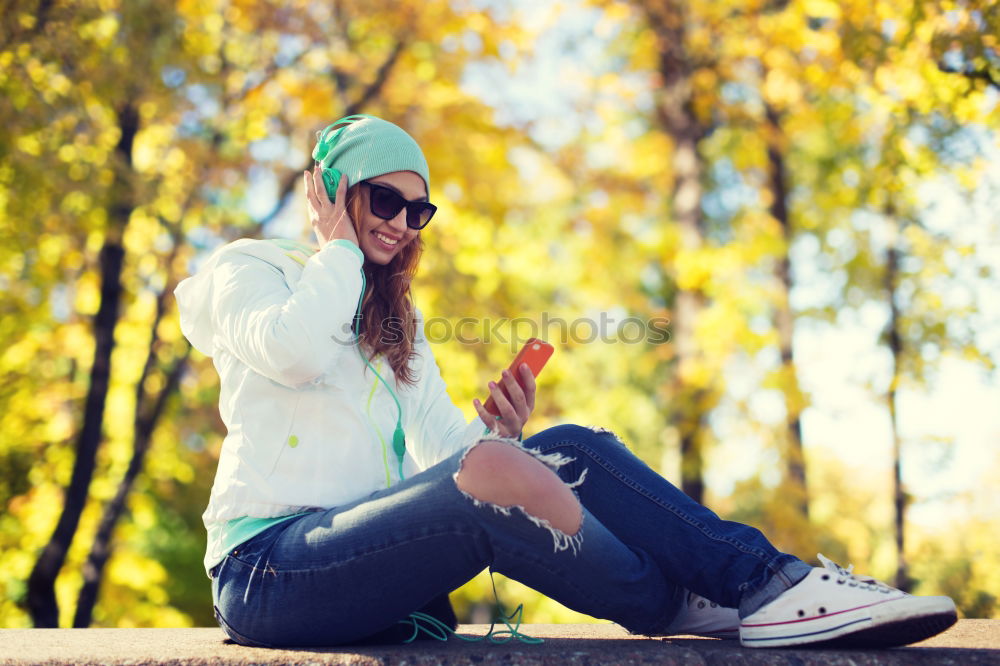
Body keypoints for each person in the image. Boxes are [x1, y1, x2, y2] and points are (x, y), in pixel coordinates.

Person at [174, 114, 958, 649]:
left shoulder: (395, 323)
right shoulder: (248, 270)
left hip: (365, 561)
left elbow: (444, 457)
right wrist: (337, 250)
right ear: (335, 190)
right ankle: (678, 597)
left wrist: (502, 437)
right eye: (387, 200)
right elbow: (293, 353)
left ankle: (765, 582)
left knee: (566, 447)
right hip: (267, 571)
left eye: (420, 212)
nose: (403, 225)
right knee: (497, 475)